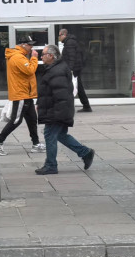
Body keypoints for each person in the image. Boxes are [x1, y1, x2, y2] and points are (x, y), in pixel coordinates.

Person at [34, 45, 95, 175]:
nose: (41, 57)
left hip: (56, 111)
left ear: (51, 56)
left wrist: (57, 114)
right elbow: (49, 91)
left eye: (43, 54)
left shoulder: (57, 71)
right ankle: (85, 152)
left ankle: (51, 165)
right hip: (58, 109)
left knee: (49, 135)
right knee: (60, 135)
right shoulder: (55, 68)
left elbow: (60, 95)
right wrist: (40, 102)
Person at [0, 39, 42, 155]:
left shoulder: (20, 56)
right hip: (21, 94)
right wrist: (34, 58)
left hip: (26, 94)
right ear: (23, 45)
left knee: (32, 119)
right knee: (16, 121)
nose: (31, 48)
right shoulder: (18, 57)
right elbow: (30, 70)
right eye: (30, 45)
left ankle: (36, 144)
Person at [58, 28, 91, 113]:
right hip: (74, 69)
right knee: (77, 87)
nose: (59, 37)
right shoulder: (69, 42)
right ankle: (86, 105)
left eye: (59, 35)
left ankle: (84, 106)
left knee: (75, 87)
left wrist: (70, 69)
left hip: (73, 70)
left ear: (64, 34)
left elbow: (72, 57)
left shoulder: (69, 43)